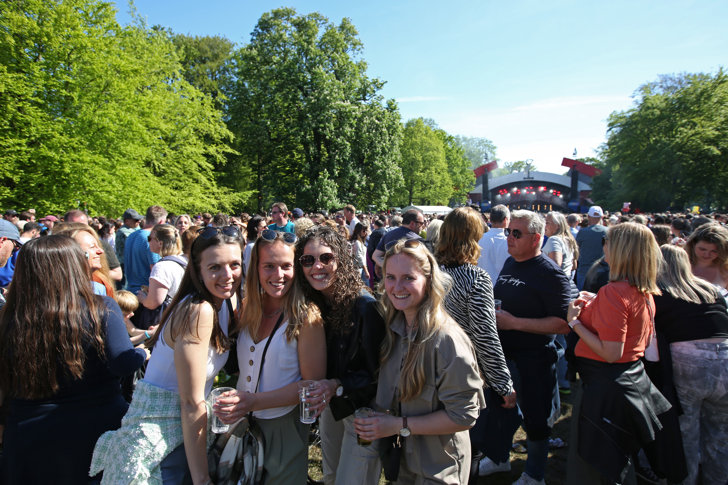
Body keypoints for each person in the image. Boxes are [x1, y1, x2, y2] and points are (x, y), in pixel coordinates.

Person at [90, 225, 243, 484]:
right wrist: (202, 479)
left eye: (235, 264)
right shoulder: (199, 310)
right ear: (197, 270)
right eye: (215, 267)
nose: (227, 275)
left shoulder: (226, 300)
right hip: (158, 443)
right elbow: (191, 402)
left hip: (183, 435)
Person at [0, 235, 146, 484]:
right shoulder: (101, 308)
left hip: (28, 435)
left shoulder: (10, 316)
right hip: (95, 432)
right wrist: (142, 353)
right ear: (72, 267)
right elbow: (122, 362)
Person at [354, 239, 485, 484]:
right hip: (403, 463)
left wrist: (397, 425)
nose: (396, 286)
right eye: (390, 277)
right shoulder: (394, 329)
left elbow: (464, 416)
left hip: (439, 469)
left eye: (408, 278)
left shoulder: (446, 340)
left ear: (428, 280)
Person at [213, 229, 326, 484]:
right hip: (242, 423)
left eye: (286, 266)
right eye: (269, 266)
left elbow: (311, 386)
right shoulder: (247, 308)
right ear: (256, 269)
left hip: (283, 427)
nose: (278, 275)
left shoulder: (306, 316)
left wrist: (253, 401)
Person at [566, 223, 671, 484]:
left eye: (608, 242)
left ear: (622, 250)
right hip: (627, 380)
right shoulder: (641, 289)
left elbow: (611, 352)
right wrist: (596, 303)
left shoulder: (614, 292)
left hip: (606, 386)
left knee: (598, 466)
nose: (604, 248)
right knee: (615, 461)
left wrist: (574, 323)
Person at [482, 210, 572, 484]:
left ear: (536, 238)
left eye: (516, 233)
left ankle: (534, 474)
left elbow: (562, 324)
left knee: (536, 418)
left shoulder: (550, 274)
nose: (509, 237)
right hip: (506, 355)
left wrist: (515, 323)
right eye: (509, 231)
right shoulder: (511, 262)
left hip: (534, 359)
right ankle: (499, 459)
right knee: (501, 409)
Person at [294, 225, 386, 485]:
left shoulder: (365, 307)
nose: (317, 266)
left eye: (326, 257)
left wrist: (337, 384)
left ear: (341, 260)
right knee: (332, 477)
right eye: (308, 260)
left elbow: (379, 375)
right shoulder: (314, 305)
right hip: (331, 408)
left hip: (363, 413)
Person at [435, 207, 515, 477]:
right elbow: (485, 335)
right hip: (462, 375)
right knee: (462, 453)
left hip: (427, 369)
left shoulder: (430, 271)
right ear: (474, 236)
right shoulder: (475, 278)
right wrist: (503, 384)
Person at [653, 244, 728, 484]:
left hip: (689, 363)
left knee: (686, 433)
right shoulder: (712, 290)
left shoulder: (659, 293)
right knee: (719, 434)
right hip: (725, 359)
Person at [136, 224, 187, 323]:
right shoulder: (184, 260)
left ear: (160, 243)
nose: (148, 241)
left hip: (168, 321)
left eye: (150, 238)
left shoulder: (161, 267)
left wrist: (143, 299)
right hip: (182, 316)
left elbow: (154, 302)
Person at [55, 222, 116, 297]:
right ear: (71, 252)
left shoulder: (98, 283)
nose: (100, 251)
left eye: (98, 245)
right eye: (92, 247)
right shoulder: (95, 287)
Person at [124, 205, 167, 294]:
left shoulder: (131, 236)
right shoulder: (150, 238)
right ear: (161, 221)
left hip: (130, 290)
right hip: (145, 292)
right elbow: (155, 268)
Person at [684, 222, 728, 297]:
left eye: (714, 251)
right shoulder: (679, 265)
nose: (707, 254)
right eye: (702, 249)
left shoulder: (725, 270)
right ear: (692, 245)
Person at [575, 206, 608, 290]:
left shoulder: (582, 232)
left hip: (584, 269)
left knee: (583, 296)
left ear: (589, 216)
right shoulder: (608, 231)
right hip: (603, 269)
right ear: (602, 217)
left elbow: (576, 250)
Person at [477, 204, 510, 286]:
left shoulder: (479, 239)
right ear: (506, 220)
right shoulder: (510, 241)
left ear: (490, 220)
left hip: (482, 286)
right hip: (503, 286)